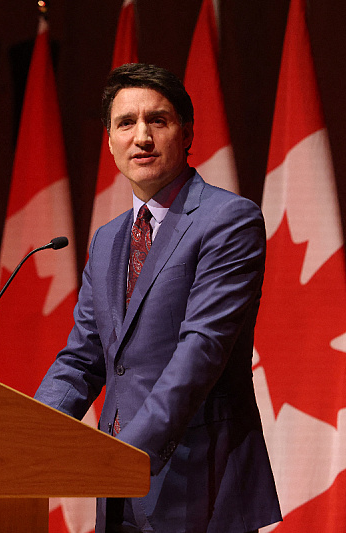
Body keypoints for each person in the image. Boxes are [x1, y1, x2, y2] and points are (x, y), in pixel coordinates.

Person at [34, 63, 281, 533]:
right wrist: (25, 436)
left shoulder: (229, 220)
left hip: (202, 485)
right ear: (109, 140)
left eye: (158, 121)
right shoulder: (107, 239)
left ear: (186, 133)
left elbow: (201, 351)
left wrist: (125, 458)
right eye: (126, 123)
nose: (141, 137)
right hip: (118, 494)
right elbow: (82, 359)